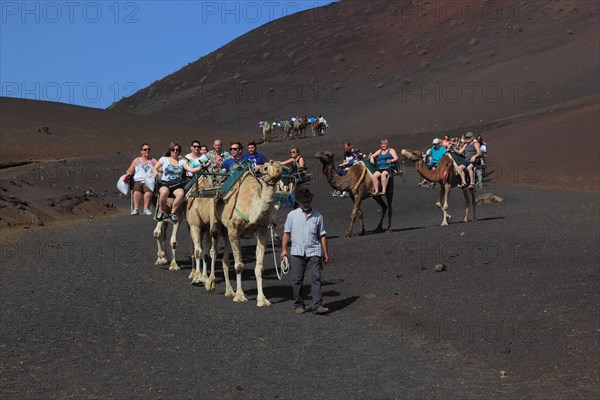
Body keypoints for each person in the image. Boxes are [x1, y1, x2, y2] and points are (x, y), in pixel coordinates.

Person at [280, 188, 330, 315]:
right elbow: (287, 233)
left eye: (308, 201)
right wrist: (284, 250)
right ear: (299, 202)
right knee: (297, 280)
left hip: (314, 251)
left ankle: (317, 305)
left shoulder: (318, 216)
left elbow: (322, 235)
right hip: (297, 252)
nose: (306, 204)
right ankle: (299, 305)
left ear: (311, 201)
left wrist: (325, 252)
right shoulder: (292, 216)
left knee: (316, 278)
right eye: (303, 202)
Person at [152, 143, 204, 223]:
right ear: (170, 150)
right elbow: (154, 168)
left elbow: (190, 169)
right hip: (165, 183)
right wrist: (156, 175)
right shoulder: (164, 159)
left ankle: (173, 213)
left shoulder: (182, 161)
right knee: (163, 192)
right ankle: (161, 212)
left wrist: (200, 167)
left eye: (177, 150)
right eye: (173, 149)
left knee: (181, 194)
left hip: (177, 184)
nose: (175, 151)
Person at [124, 143, 157, 216]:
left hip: (149, 181)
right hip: (138, 180)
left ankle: (146, 209)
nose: (147, 151)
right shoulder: (137, 160)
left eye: (148, 149)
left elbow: (160, 167)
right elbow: (130, 169)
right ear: (141, 151)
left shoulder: (153, 160)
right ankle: (136, 209)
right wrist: (128, 173)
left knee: (148, 191)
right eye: (145, 149)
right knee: (136, 190)